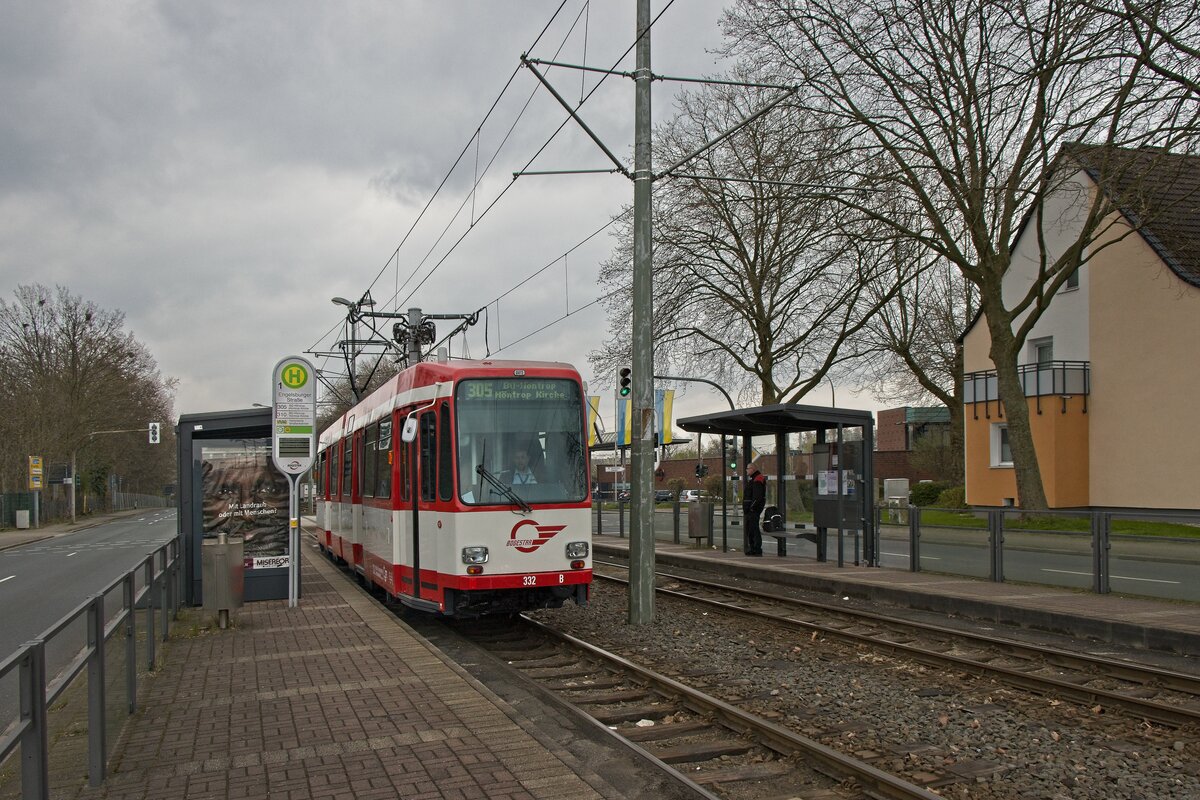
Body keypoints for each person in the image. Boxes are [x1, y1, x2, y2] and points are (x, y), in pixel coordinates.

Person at [743, 463, 767, 556]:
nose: (746, 470)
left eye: (747, 468)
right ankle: (753, 548)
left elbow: (757, 496)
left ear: (752, 469)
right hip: (750, 509)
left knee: (754, 528)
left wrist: (752, 507)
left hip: (753, 510)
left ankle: (757, 549)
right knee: (750, 529)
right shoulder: (754, 479)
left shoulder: (758, 479)